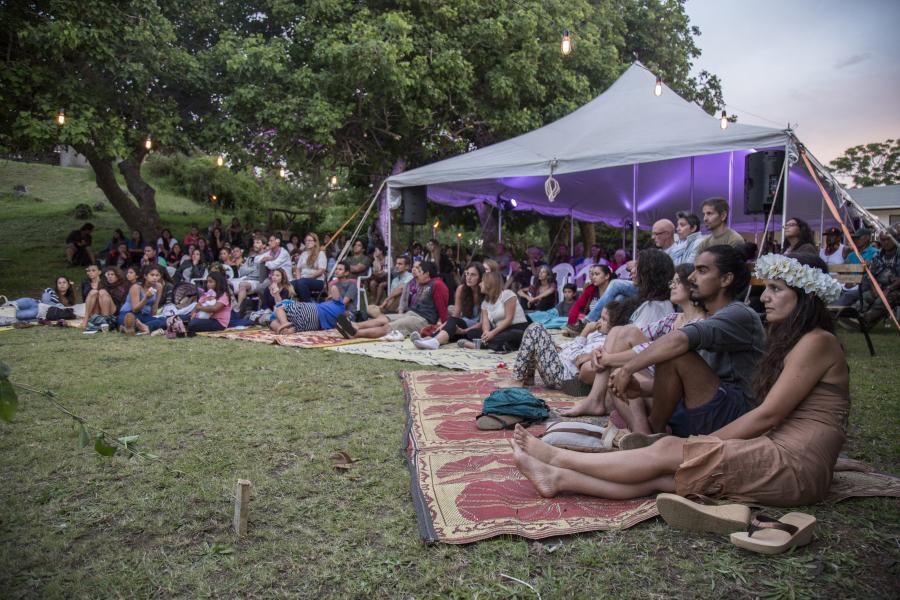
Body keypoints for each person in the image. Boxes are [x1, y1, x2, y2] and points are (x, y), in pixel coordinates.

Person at [511, 253, 848, 510]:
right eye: (767, 288)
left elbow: (769, 414)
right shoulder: (795, 340)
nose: (764, 297)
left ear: (806, 295)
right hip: (785, 456)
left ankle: (558, 459)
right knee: (662, 478)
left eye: (776, 289)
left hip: (795, 465)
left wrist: (705, 444)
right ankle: (557, 477)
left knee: (670, 451)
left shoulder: (817, 341)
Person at [603, 245, 764, 436]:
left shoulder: (739, 314)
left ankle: (653, 432)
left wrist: (628, 369)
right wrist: (639, 388)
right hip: (703, 404)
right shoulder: (710, 317)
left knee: (673, 353)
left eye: (702, 271)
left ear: (726, 279)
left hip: (734, 413)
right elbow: (683, 381)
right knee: (620, 377)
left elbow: (679, 341)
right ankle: (644, 433)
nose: (691, 277)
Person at [561, 263, 707, 418]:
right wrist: (601, 352)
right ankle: (596, 400)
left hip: (670, 386)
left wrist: (608, 358)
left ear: (692, 285)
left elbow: (658, 348)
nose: (672, 286)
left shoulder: (699, 324)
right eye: (672, 282)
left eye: (677, 282)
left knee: (612, 368)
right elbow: (637, 335)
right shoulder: (673, 318)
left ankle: (602, 401)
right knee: (619, 332)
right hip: (651, 373)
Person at [512, 299, 633, 391]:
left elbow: (575, 359)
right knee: (541, 334)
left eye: (604, 319)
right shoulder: (597, 334)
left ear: (615, 325)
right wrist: (559, 347)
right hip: (559, 363)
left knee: (536, 329)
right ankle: (528, 378)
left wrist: (585, 332)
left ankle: (517, 379)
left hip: (562, 376)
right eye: (600, 317)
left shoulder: (604, 343)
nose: (599, 321)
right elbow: (573, 346)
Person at [337, 261, 448, 340]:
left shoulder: (437, 284)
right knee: (383, 318)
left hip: (423, 320)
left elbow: (442, 308)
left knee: (389, 327)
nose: (416, 273)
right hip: (410, 314)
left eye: (419, 271)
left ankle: (356, 334)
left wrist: (443, 329)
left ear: (427, 274)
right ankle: (356, 325)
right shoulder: (422, 283)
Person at [580, 248, 676, 329]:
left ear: (649, 272)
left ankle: (588, 321)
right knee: (620, 297)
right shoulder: (649, 304)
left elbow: (632, 339)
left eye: (637, 267)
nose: (631, 271)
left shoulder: (655, 308)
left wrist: (585, 334)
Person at [410, 261, 484, 349]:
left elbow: (482, 323)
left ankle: (432, 341)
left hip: (474, 329)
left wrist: (464, 331)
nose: (469, 277)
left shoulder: (484, 291)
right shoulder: (461, 289)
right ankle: (427, 340)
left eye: (473, 275)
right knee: (450, 324)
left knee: (457, 327)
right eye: (467, 274)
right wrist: (445, 324)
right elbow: (455, 315)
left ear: (481, 277)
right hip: (460, 325)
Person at [459, 271, 529, 351]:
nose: (479, 284)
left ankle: (481, 345)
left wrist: (492, 333)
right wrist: (486, 333)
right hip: (499, 331)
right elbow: (485, 322)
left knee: (506, 336)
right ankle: (493, 344)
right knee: (472, 333)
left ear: (490, 283)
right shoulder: (485, 303)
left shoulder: (507, 294)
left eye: (482, 282)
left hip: (516, 329)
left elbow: (509, 319)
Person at [859, 226, 900, 327]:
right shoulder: (878, 256)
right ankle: (857, 318)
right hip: (880, 288)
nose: (885, 242)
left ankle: (865, 320)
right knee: (865, 297)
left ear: (895, 239)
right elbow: (871, 275)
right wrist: (874, 289)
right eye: (882, 240)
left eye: (888, 239)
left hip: (895, 289)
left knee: (881, 301)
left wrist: (888, 289)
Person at [270, 283, 347, 334]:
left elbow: (333, 287)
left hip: (311, 311)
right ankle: (288, 330)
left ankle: (284, 323)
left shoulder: (340, 304)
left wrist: (331, 296)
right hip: (313, 325)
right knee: (274, 322)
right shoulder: (335, 324)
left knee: (280, 309)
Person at [565, 264, 614, 334]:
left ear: (607, 276)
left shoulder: (614, 290)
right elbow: (577, 306)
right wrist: (571, 324)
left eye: (597, 274)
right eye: (592, 274)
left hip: (607, 326)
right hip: (590, 325)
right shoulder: (591, 289)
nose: (593, 277)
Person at [118, 265, 164, 335]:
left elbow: (155, 307)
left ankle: (141, 327)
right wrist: (146, 298)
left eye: (157, 275)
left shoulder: (158, 286)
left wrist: (152, 318)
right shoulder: (136, 287)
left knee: (164, 320)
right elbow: (135, 309)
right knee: (130, 320)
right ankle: (131, 326)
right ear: (145, 276)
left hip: (144, 315)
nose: (155, 278)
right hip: (129, 314)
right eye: (152, 275)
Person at [291, 232, 328, 302]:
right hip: (303, 280)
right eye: (306, 241)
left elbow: (322, 270)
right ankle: (285, 305)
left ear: (315, 242)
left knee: (302, 283)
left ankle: (307, 306)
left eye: (310, 240)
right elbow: (298, 269)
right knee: (288, 285)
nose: (307, 242)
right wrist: (298, 279)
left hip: (317, 280)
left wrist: (308, 277)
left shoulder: (320, 253)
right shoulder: (303, 254)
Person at [233, 235, 267, 307]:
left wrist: (248, 270)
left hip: (258, 281)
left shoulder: (266, 257)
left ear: (264, 245)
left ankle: (239, 307)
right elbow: (242, 271)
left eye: (258, 243)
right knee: (226, 282)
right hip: (245, 278)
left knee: (243, 285)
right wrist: (252, 269)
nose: (255, 244)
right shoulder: (251, 257)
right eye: (254, 243)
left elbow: (258, 274)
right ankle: (232, 305)